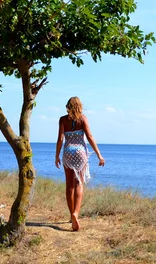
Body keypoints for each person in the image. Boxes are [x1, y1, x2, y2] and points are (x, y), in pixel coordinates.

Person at [55, 96, 105, 231]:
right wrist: (99, 155)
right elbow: (90, 137)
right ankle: (76, 213)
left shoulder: (63, 119)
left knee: (69, 185)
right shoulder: (83, 119)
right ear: (80, 106)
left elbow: (60, 139)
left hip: (67, 152)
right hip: (80, 153)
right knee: (79, 183)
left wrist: (57, 156)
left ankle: (72, 216)